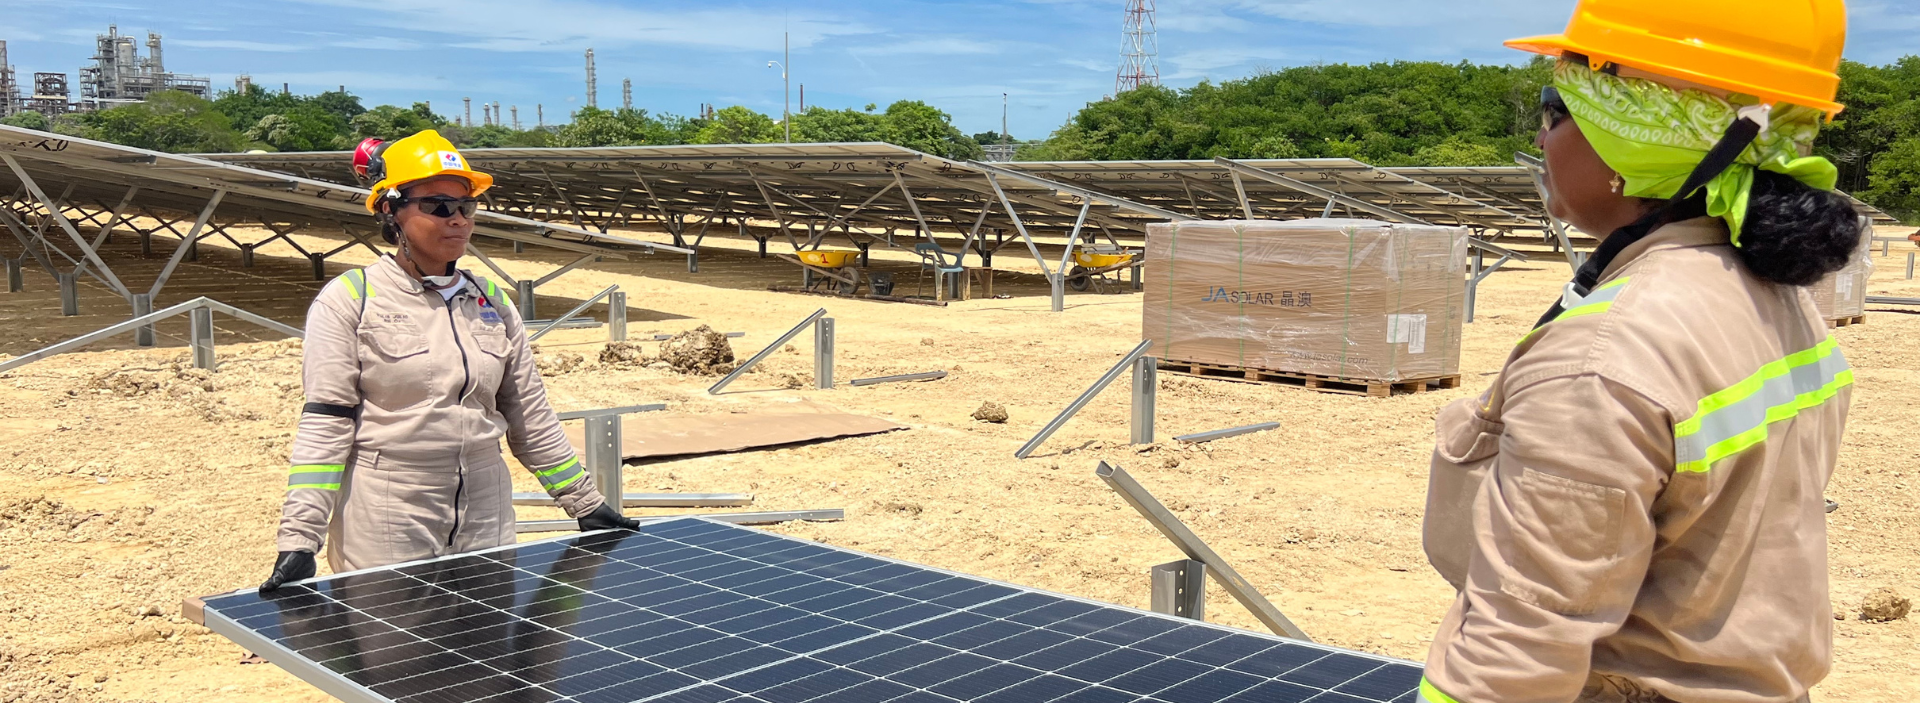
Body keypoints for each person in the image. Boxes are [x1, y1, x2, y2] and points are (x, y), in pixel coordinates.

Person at [1420, 1, 1858, 701]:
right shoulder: (1774, 296)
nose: (1542, 137)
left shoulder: (1601, 359)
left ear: (1631, 141)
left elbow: (1517, 650)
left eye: (1555, 109)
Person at [260, 130, 637, 591]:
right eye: (438, 206)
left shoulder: (492, 301)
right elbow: (327, 422)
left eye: (466, 206)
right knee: (392, 635)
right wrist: (300, 538)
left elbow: (529, 414)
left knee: (488, 632)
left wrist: (584, 501)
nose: (457, 219)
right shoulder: (351, 300)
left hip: (485, 506)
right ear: (391, 212)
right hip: (390, 509)